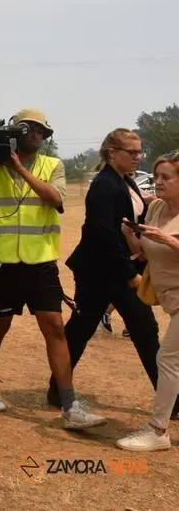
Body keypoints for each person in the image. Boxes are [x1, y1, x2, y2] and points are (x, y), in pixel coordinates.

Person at [0, 109, 106, 429]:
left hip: (41, 260)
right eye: (27, 128)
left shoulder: (52, 165)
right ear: (15, 132)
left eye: (40, 130)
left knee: (55, 327)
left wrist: (17, 166)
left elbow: (54, 199)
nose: (35, 133)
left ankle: (70, 405)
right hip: (3, 260)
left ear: (45, 136)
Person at [52, 129, 168, 411]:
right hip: (103, 272)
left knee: (98, 329)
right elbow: (101, 233)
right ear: (111, 153)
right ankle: (57, 391)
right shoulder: (104, 185)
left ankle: (56, 391)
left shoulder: (123, 180)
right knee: (134, 328)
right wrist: (129, 273)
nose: (137, 157)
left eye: (139, 152)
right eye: (131, 152)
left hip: (112, 269)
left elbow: (125, 219)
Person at [117, 152, 179, 450]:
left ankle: (158, 430)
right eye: (157, 177)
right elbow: (146, 251)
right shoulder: (155, 209)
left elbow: (165, 245)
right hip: (172, 299)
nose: (159, 182)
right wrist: (131, 235)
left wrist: (169, 240)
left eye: (166, 177)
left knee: (167, 358)